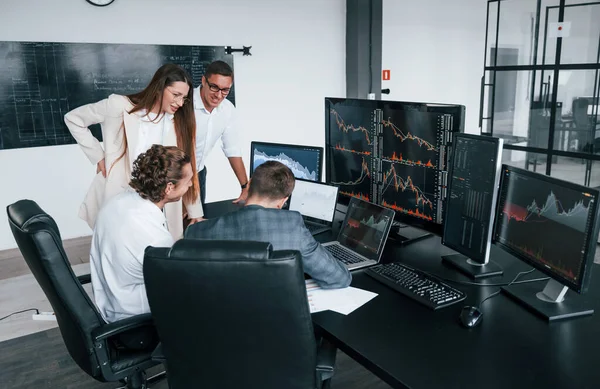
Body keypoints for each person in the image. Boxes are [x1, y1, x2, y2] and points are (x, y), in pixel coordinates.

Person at [64, 63, 202, 240]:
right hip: (120, 198)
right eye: (175, 95)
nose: (180, 103)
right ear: (159, 88)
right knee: (119, 248)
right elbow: (73, 119)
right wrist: (99, 157)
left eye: (184, 98)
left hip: (159, 205)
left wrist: (195, 211)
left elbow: (186, 170)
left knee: (158, 250)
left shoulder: (178, 123)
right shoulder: (119, 106)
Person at [185, 161, 351, 289]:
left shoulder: (199, 232)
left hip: (218, 323)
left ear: (249, 185)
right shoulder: (293, 228)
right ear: (283, 201)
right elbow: (339, 278)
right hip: (276, 327)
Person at [90, 145, 193, 328]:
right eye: (188, 181)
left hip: (109, 303)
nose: (191, 185)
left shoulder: (116, 203)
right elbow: (174, 285)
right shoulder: (154, 238)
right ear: (169, 187)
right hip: (134, 321)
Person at [193, 60, 249, 206]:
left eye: (225, 90)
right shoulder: (183, 103)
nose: (218, 95)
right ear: (204, 81)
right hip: (173, 177)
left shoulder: (227, 109)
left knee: (197, 224)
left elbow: (232, 149)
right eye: (214, 87)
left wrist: (245, 187)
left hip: (199, 174)